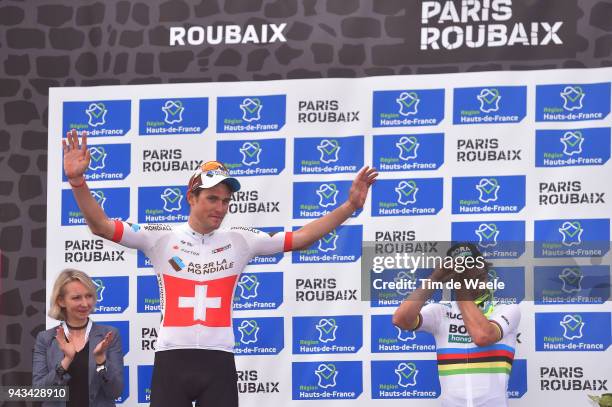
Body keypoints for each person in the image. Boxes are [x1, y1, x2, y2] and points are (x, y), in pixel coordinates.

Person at [62, 129, 377, 407]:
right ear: (191, 198)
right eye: (212, 199)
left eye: (226, 201)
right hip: (172, 360)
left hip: (219, 361)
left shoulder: (241, 240)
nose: (220, 208)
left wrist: (349, 206)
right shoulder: (159, 237)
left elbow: (302, 238)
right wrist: (77, 181)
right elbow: (101, 226)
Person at [392, 243, 521, 407]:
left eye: (478, 276)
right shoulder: (442, 311)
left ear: (486, 275)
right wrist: (435, 278)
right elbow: (400, 320)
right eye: (468, 277)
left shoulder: (507, 309)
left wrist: (462, 291)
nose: (474, 282)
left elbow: (482, 336)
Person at [33, 269, 124, 407]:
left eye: (89, 296)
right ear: (61, 301)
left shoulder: (109, 335)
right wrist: (66, 361)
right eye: (76, 297)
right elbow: (39, 392)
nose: (85, 303)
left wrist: (101, 361)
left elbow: (115, 392)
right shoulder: (45, 339)